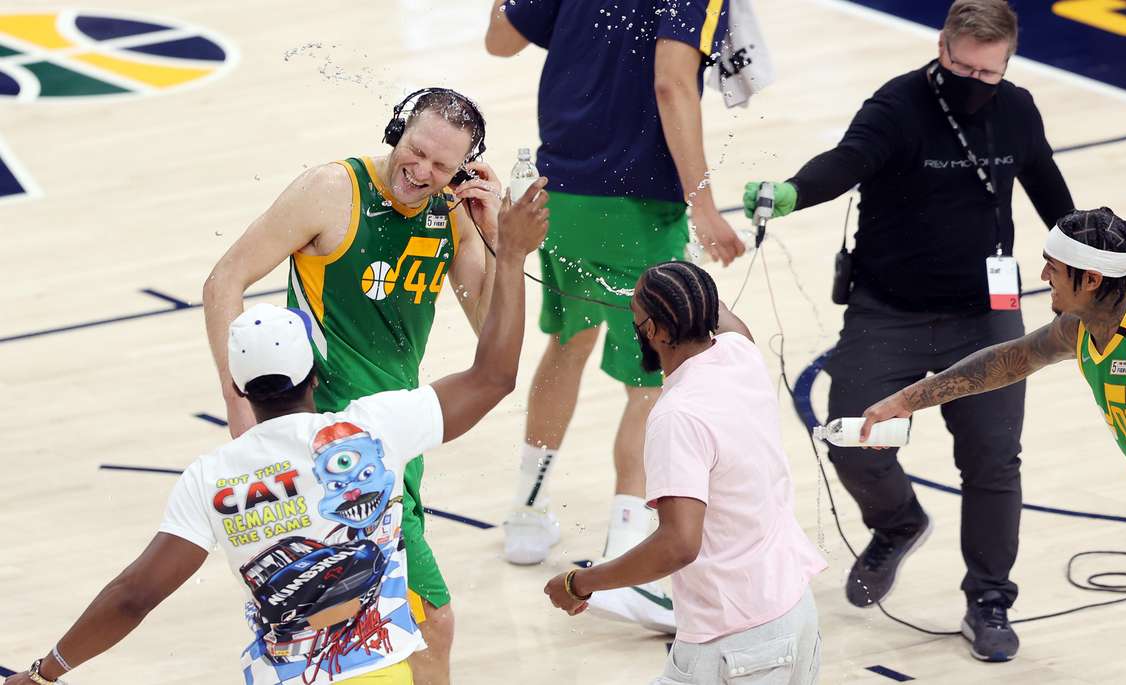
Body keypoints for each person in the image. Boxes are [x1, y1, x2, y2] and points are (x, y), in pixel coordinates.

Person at [4, 186, 548, 685]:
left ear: (239, 387)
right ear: (315, 373)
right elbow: (494, 375)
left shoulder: (210, 479)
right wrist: (513, 252)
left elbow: (133, 596)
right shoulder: (372, 429)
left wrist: (45, 671)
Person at [741, 0, 1074, 659]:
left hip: (986, 314)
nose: (973, 83)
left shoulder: (1016, 110)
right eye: (960, 66)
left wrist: (1094, 271)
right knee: (849, 439)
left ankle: (989, 601)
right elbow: (847, 161)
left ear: (1006, 64)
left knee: (993, 461)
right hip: (887, 308)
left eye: (988, 74)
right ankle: (897, 522)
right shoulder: (897, 105)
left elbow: (1051, 195)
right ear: (941, 47)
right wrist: (789, 192)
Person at [203, 88, 505, 683]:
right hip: (334, 449)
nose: (421, 172)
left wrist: (497, 237)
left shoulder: (453, 215)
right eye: (415, 151)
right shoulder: (331, 190)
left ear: (464, 169)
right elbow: (223, 283)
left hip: (396, 441)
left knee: (335, 636)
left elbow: (491, 331)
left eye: (442, 167)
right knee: (427, 620)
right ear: (397, 130)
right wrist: (239, 414)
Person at [859, 207, 1126, 680]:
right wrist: (908, 400)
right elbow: (1011, 359)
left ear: (1091, 279)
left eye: (1053, 269)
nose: (1042, 277)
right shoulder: (1082, 329)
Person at [484, 0, 745, 633]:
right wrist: (704, 206)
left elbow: (500, 40)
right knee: (651, 382)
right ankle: (627, 546)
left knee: (567, 344)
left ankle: (526, 512)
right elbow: (671, 81)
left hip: (564, 193)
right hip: (636, 204)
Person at [545, 261, 826, 683]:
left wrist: (580, 584)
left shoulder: (677, 416)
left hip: (737, 643)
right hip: (794, 614)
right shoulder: (740, 352)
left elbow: (678, 544)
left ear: (656, 331)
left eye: (635, 311)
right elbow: (716, 307)